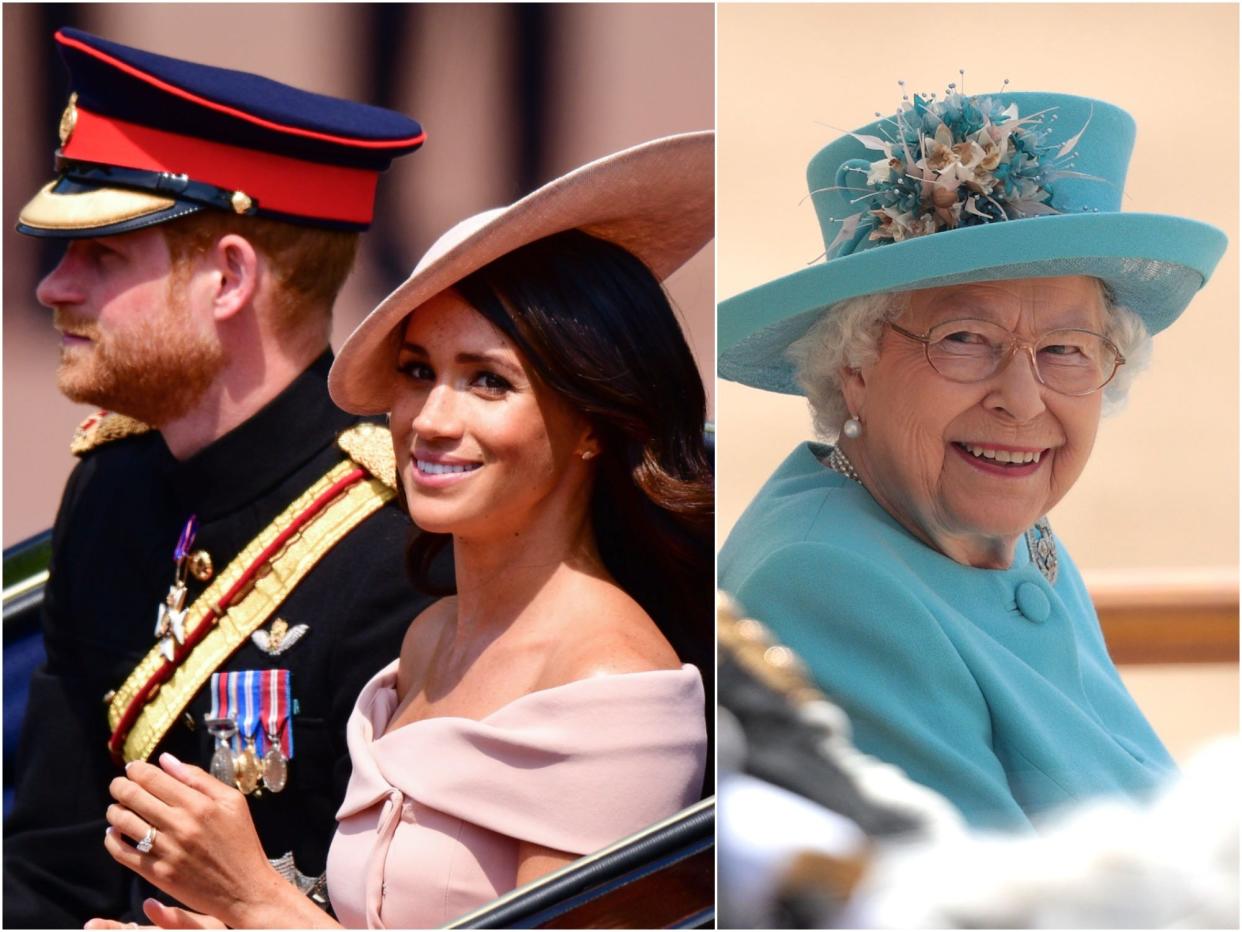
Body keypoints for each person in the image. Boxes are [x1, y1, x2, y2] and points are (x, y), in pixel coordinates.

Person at [92, 131, 714, 929]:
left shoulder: (610, 685)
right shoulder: (428, 639)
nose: (431, 419)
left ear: (593, 421)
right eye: (419, 371)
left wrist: (255, 899)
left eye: (488, 382)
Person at [3, 28, 438, 927]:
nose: (53, 287)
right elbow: (51, 863)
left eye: (104, 256)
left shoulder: (403, 533)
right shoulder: (116, 480)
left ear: (230, 279)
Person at [717, 86, 1228, 831]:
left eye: (1065, 350)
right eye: (964, 339)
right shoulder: (827, 583)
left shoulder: (1000, 532)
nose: (1022, 400)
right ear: (853, 366)